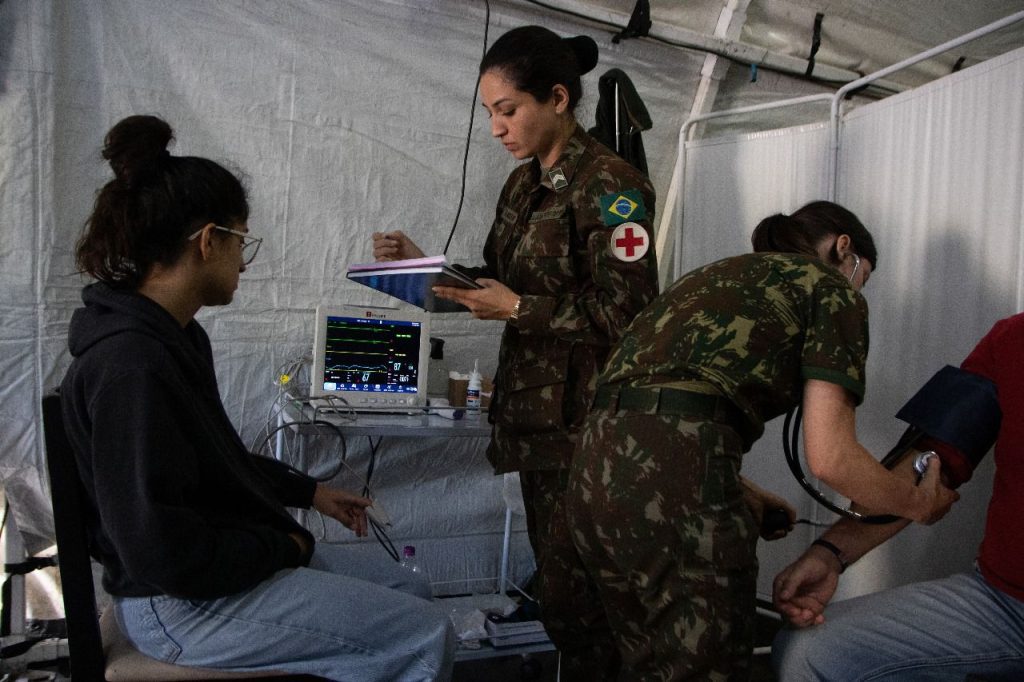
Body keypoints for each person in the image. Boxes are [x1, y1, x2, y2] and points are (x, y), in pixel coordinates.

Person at [61, 115, 454, 681]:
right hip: (180, 605)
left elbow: (212, 460)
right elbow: (161, 553)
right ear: (207, 241)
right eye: (240, 241)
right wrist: (285, 547)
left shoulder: (174, 338)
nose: (244, 262)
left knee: (407, 583)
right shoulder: (132, 366)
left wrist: (309, 492)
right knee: (423, 635)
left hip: (198, 581)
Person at [564, 201, 959, 680]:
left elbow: (655, 400)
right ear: (844, 248)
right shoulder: (832, 289)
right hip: (671, 480)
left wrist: (740, 491)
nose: (859, 292)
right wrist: (916, 503)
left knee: (644, 660)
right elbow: (832, 458)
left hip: (591, 469)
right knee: (706, 666)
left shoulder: (717, 274)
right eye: (862, 277)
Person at [372, 25, 659, 678]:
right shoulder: (522, 187)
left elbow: (632, 313)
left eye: (508, 110)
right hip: (537, 426)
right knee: (559, 598)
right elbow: (497, 286)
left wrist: (519, 309)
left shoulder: (614, 188)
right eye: (490, 115)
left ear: (557, 98)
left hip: (594, 432)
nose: (497, 128)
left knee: (593, 602)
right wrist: (426, 270)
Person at [772, 312, 1024, 681]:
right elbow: (930, 463)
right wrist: (830, 554)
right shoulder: (1012, 337)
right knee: (807, 653)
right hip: (1001, 604)